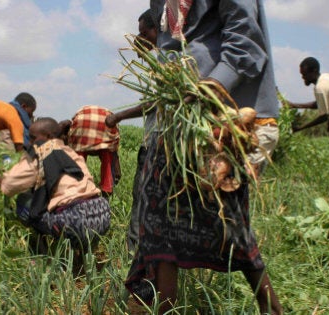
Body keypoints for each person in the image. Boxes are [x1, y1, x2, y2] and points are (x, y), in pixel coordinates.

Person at [124, 1, 282, 314]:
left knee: (228, 222)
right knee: (158, 218)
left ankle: (272, 309)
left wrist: (210, 86)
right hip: (175, 117)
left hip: (222, 115)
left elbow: (246, 43)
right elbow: (171, 45)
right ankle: (165, 307)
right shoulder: (162, 3)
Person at [0, 117, 111, 270]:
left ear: (48, 138)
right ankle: (83, 258)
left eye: (33, 138)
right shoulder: (69, 151)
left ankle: (44, 260)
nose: (30, 142)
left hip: (75, 220)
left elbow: (8, 186)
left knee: (25, 203)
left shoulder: (41, 151)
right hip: (102, 213)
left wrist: (0, 178)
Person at [105, 9, 158, 253]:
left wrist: (119, 116)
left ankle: (134, 252)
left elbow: (156, 102)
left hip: (156, 145)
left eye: (143, 32)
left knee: (143, 199)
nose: (139, 38)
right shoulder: (173, 60)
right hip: (161, 143)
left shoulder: (166, 64)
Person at [61, 105, 121, 197]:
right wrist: (117, 171)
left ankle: (77, 187)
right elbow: (114, 154)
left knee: (79, 160)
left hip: (82, 123)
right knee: (107, 159)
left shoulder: (65, 126)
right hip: (105, 123)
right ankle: (107, 190)